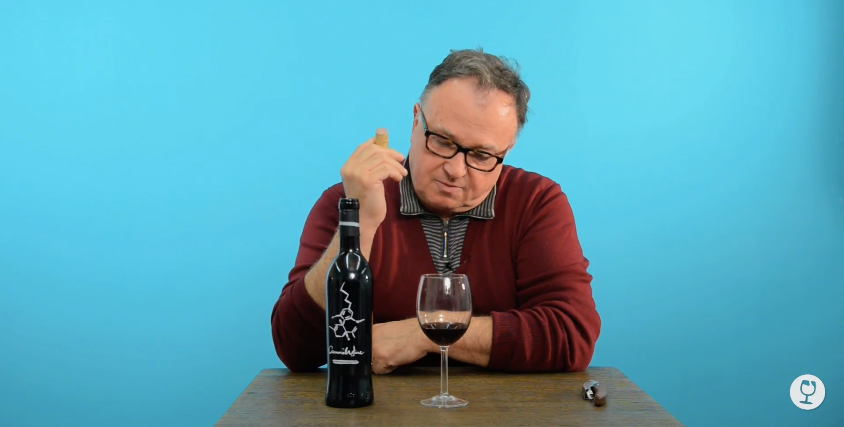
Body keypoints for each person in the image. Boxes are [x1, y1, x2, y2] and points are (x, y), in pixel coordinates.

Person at [271, 48, 601, 374]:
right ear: (416, 120)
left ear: (507, 149)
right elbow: (296, 348)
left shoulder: (535, 202)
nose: (455, 170)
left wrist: (426, 332)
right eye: (442, 141)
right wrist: (360, 224)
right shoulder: (348, 200)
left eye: (482, 156)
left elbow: (571, 334)